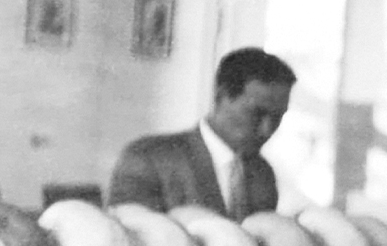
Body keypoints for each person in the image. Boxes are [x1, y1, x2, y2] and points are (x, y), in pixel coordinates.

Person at [107, 47, 296, 219]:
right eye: (257, 113)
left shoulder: (262, 173)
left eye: (277, 116)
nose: (267, 129)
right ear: (221, 96)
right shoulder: (147, 159)